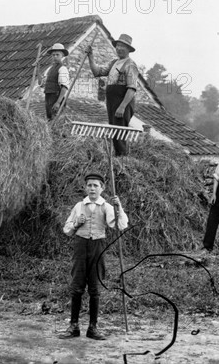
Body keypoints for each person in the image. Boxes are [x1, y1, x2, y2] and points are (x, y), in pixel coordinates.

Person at [59, 172, 128, 341]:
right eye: (89, 185)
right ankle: (74, 326)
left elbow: (120, 225)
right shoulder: (78, 206)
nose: (92, 188)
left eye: (95, 185)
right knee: (77, 286)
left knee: (95, 288)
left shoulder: (107, 206)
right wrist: (77, 223)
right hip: (80, 247)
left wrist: (119, 207)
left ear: (102, 188)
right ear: (85, 187)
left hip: (98, 247)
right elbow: (67, 230)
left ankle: (93, 328)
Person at [87, 34, 140, 156]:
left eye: (123, 46)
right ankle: (118, 157)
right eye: (118, 46)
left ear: (128, 49)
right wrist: (91, 56)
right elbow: (97, 72)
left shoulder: (130, 65)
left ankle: (122, 161)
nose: (119, 48)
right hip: (112, 102)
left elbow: (131, 88)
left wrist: (122, 107)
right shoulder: (114, 63)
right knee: (114, 130)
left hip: (123, 103)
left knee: (119, 132)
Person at [41, 43, 70, 121]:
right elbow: (41, 84)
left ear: (62, 56)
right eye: (53, 55)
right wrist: (37, 69)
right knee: (49, 120)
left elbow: (64, 87)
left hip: (56, 97)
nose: (55, 57)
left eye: (57, 55)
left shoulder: (63, 69)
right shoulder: (50, 69)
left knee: (57, 121)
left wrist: (58, 102)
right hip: (48, 98)